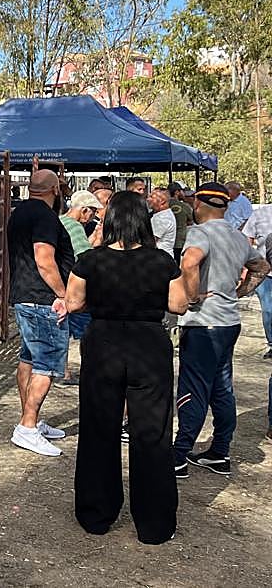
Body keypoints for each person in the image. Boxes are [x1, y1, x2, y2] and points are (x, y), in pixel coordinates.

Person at [57, 190, 188, 545]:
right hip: (148, 345)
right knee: (153, 433)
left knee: (99, 429)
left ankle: (96, 515)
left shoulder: (90, 260)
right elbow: (178, 304)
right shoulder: (161, 260)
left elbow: (73, 302)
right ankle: (155, 524)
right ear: (144, 221)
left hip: (104, 345)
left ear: (110, 220)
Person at [173, 182, 270, 479]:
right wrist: (240, 291)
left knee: (194, 386)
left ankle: (179, 454)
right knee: (222, 387)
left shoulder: (200, 233)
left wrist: (190, 296)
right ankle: (220, 450)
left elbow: (190, 262)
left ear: (199, 205)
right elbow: (262, 267)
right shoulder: (236, 236)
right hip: (228, 321)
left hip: (203, 321)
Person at [7, 169, 75, 456]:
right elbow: (44, 260)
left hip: (25, 295)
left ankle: (30, 419)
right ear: (53, 190)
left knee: (28, 359)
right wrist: (63, 294)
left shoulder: (19, 212)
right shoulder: (45, 217)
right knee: (45, 365)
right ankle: (28, 427)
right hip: (43, 299)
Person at [59, 190, 103, 385]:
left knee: (63, 331)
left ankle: (63, 371)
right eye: (92, 212)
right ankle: (91, 371)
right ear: (84, 210)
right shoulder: (75, 227)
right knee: (88, 331)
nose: (92, 217)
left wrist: (94, 237)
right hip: (73, 285)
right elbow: (85, 258)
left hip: (60, 284)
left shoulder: (60, 221)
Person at [241, 201, 272, 359]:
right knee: (268, 310)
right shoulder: (260, 213)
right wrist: (246, 264)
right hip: (265, 272)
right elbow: (248, 238)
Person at [147, 188, 177, 258]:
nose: (148, 199)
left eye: (151, 197)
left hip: (161, 259)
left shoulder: (162, 218)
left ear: (162, 201)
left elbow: (149, 241)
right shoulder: (160, 215)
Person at [168, 182, 193, 261]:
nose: (184, 193)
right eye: (182, 191)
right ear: (177, 192)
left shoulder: (163, 205)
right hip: (180, 242)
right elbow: (191, 221)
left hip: (167, 242)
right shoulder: (185, 206)